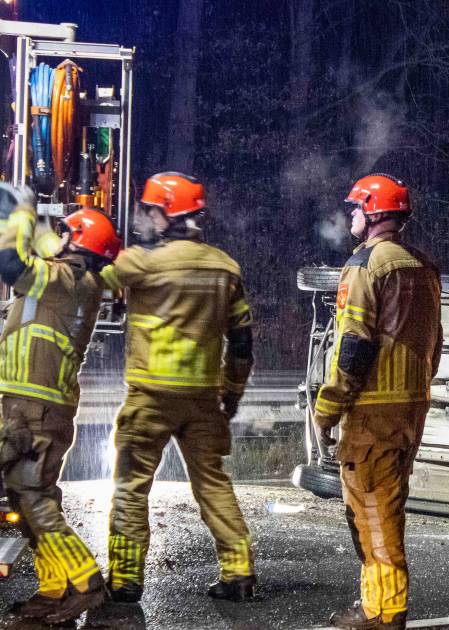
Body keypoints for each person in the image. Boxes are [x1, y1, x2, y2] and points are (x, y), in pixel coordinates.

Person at [101, 172, 257, 602]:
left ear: (166, 213)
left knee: (132, 486)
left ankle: (126, 578)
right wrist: (233, 392)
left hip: (150, 398)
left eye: (150, 210)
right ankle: (239, 572)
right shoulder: (225, 266)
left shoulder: (141, 262)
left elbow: (91, 283)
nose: (146, 218)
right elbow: (242, 339)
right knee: (212, 484)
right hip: (205, 399)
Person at [315, 174, 442, 629]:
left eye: (355, 207)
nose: (350, 215)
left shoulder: (366, 266)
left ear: (373, 213)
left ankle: (385, 611)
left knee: (372, 507)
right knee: (386, 501)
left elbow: (354, 345)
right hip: (411, 404)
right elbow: (435, 341)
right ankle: (374, 604)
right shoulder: (422, 265)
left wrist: (329, 406)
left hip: (372, 406)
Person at [0, 185, 120, 623]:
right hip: (32, 403)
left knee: (36, 501)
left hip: (36, 409)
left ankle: (86, 584)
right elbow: (49, 246)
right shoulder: (73, 278)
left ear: (78, 244)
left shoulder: (65, 281)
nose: (61, 238)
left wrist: (18, 213)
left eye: (70, 234)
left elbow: (10, 262)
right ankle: (54, 588)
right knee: (31, 498)